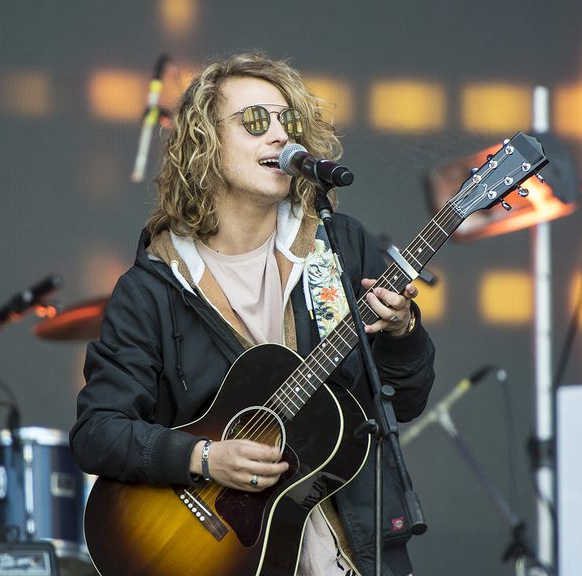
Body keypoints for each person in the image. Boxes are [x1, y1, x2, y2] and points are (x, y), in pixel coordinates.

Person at [70, 51, 435, 576]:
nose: (281, 136)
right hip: (227, 556)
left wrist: (403, 332)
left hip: (353, 546)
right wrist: (202, 459)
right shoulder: (152, 289)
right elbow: (98, 433)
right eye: (257, 121)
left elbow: (404, 400)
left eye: (290, 122)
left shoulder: (339, 246)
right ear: (205, 142)